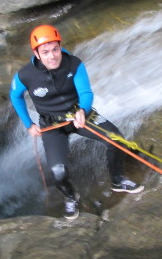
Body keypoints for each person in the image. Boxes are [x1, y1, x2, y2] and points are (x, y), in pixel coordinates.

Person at [9, 24, 144, 220]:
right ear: (36, 54)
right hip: (51, 125)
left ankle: (118, 180)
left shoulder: (74, 64)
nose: (52, 56)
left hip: (78, 115)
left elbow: (86, 92)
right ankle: (71, 197)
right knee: (58, 173)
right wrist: (29, 124)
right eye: (45, 52)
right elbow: (16, 96)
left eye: (55, 49)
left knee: (116, 140)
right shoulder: (25, 75)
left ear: (60, 47)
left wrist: (83, 110)